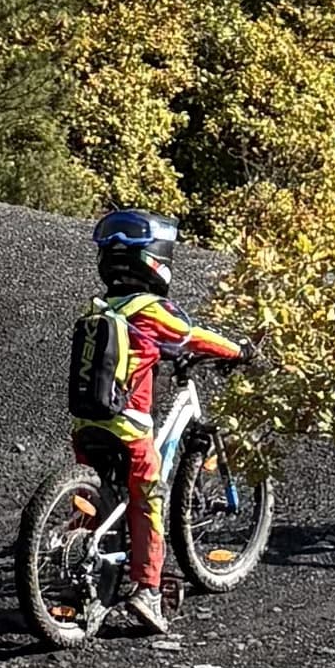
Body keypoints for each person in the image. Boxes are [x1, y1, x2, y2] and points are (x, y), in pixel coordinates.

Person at [69, 208, 242, 640]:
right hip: (129, 427)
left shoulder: (101, 307)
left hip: (88, 422)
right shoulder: (149, 308)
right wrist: (238, 351)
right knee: (149, 499)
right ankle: (147, 590)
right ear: (155, 260)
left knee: (102, 494)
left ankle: (72, 561)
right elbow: (191, 336)